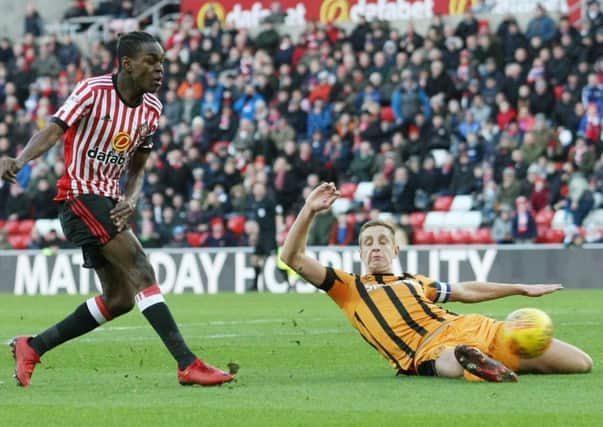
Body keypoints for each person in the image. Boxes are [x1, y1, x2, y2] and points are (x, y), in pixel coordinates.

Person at [0, 31, 234, 388]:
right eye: (151, 61)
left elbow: (138, 166)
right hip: (79, 195)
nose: (160, 70)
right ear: (127, 64)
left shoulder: (152, 109)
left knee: (120, 298)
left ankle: (32, 346)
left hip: (110, 200)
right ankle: (188, 364)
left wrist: (133, 197)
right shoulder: (93, 91)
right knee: (141, 266)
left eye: (163, 63)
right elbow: (53, 130)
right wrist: (20, 159)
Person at [281, 183, 592, 382]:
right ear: (361, 251)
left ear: (395, 249)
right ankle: (475, 362)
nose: (375, 247)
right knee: (450, 360)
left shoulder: (417, 282)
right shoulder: (348, 287)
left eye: (382, 241)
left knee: (581, 363)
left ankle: (493, 361)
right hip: (430, 349)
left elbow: (466, 290)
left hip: (477, 327)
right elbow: (292, 257)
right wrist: (308, 211)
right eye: (368, 243)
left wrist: (520, 288)